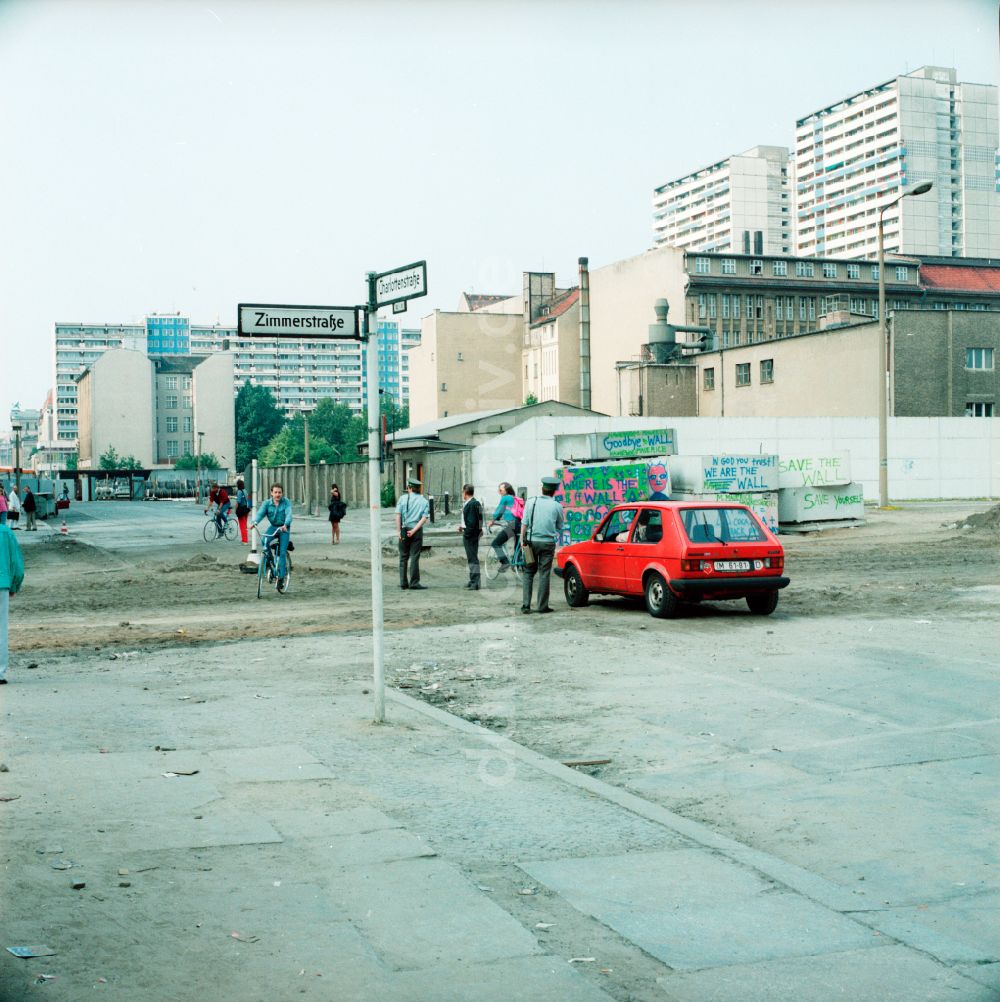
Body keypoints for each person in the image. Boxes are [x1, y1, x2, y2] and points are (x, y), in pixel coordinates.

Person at [520, 476, 565, 614]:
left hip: (530, 543)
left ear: (542, 488)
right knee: (544, 573)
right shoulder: (557, 506)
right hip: (547, 544)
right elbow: (559, 526)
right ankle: (542, 606)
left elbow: (524, 523)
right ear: (554, 492)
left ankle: (526, 605)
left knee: (528, 572)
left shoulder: (531, 501)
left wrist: (522, 541)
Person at [250, 483, 293, 588]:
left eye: (279, 492)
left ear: (282, 493)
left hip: (284, 528)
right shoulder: (267, 504)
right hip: (273, 527)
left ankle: (281, 578)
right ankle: (269, 560)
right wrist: (254, 522)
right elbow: (260, 514)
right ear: (271, 493)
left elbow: (289, 515)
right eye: (275, 492)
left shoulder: (286, 502)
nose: (277, 494)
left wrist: (285, 525)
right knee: (264, 541)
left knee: (282, 553)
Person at [0, 521, 25, 684]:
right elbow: (17, 564)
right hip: (2, 584)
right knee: (1, 629)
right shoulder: (7, 533)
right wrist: (14, 585)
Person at [395, 477, 430, 590]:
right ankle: (414, 582)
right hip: (416, 530)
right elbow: (424, 518)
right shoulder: (424, 501)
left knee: (403, 557)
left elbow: (398, 515)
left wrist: (399, 531)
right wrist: (414, 530)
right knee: (414, 556)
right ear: (419, 489)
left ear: (409, 488)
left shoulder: (402, 498)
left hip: (404, 529)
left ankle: (403, 583)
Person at [456, 483, 484, 589]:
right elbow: (480, 519)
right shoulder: (476, 503)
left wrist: (467, 533)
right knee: (472, 558)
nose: (462, 494)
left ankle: (475, 582)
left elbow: (472, 522)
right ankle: (473, 580)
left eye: (463, 492)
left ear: (465, 492)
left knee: (472, 558)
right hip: (473, 533)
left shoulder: (471, 504)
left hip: (470, 535)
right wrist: (463, 526)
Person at [488, 482, 520, 572]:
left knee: (496, 543)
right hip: (521, 524)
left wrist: (492, 521)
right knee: (518, 544)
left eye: (501, 490)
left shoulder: (505, 498)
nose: (499, 491)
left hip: (512, 525)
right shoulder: (515, 498)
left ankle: (505, 562)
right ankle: (518, 563)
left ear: (506, 490)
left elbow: (499, 512)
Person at [234, 479, 251, 544]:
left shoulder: (239, 491)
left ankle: (245, 541)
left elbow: (238, 501)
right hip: (246, 509)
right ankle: (244, 539)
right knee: (245, 525)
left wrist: (235, 509)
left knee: (242, 526)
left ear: (238, 485)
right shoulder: (245, 490)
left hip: (241, 510)